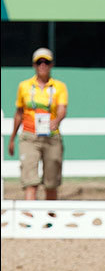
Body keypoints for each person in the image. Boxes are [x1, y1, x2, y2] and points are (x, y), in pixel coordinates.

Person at [8, 48, 68, 200]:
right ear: (34, 65)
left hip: (51, 137)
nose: (42, 65)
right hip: (29, 136)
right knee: (30, 182)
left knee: (51, 183)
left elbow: (62, 110)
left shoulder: (59, 87)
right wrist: (12, 138)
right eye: (39, 62)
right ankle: (30, 221)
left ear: (51, 65)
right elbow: (19, 113)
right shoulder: (24, 86)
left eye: (46, 62)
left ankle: (50, 221)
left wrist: (57, 120)